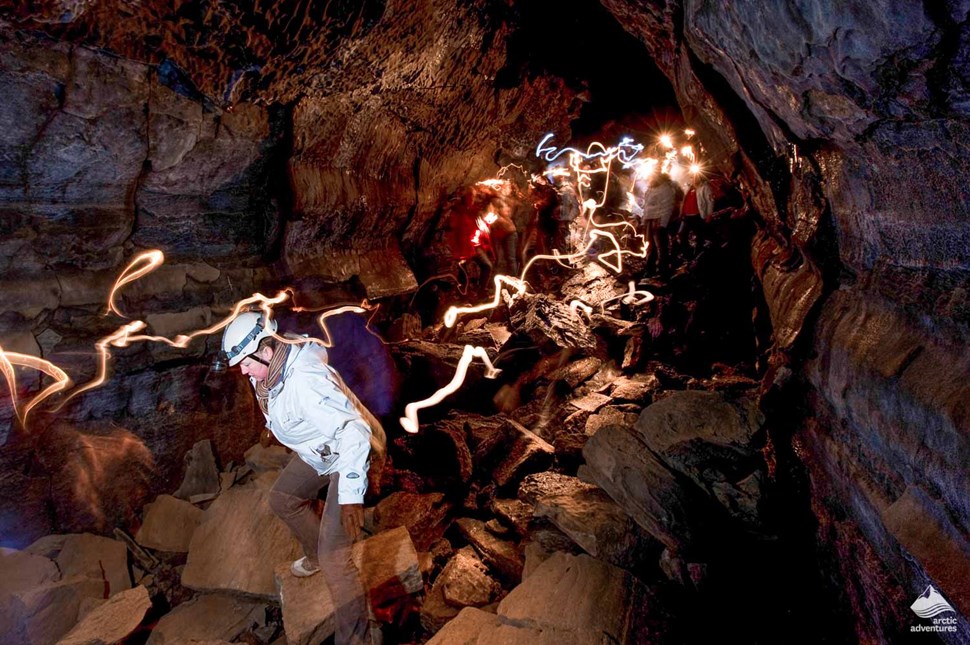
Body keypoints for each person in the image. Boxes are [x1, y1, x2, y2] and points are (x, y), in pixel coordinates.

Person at [221, 312, 386, 645]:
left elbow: (354, 433)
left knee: (336, 558)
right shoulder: (270, 365)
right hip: (320, 450)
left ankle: (356, 640)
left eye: (244, 362)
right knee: (282, 498)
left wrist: (351, 495)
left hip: (351, 451)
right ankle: (315, 555)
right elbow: (277, 397)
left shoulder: (306, 380)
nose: (242, 370)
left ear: (265, 351)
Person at [639, 172, 680, 278]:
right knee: (650, 247)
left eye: (652, 176)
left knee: (661, 247)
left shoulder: (665, 189)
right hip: (649, 220)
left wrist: (663, 223)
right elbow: (646, 207)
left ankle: (663, 270)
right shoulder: (650, 189)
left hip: (658, 220)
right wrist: (644, 221)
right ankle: (650, 269)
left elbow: (667, 207)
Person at [675, 174, 713, 260]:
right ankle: (688, 256)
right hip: (687, 216)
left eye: (696, 177)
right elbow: (684, 201)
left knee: (699, 236)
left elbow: (710, 201)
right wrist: (681, 213)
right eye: (692, 177)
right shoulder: (688, 188)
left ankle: (697, 256)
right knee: (681, 235)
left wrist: (709, 214)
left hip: (697, 216)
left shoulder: (705, 187)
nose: (694, 179)